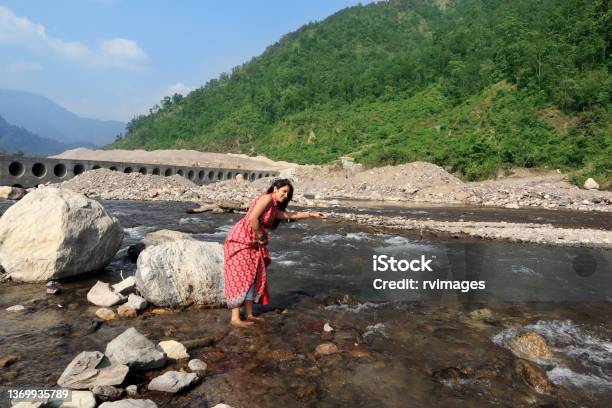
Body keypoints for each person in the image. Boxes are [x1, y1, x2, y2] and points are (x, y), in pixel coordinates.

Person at [223, 178, 326, 327]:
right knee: (239, 277)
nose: (285, 195)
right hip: (240, 240)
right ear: (275, 189)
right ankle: (235, 318)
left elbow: (290, 216)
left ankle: (249, 314)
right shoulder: (266, 198)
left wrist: (311, 214)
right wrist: (260, 236)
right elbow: (252, 218)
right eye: (284, 191)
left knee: (252, 277)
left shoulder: (273, 207)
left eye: (288, 194)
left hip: (253, 244)